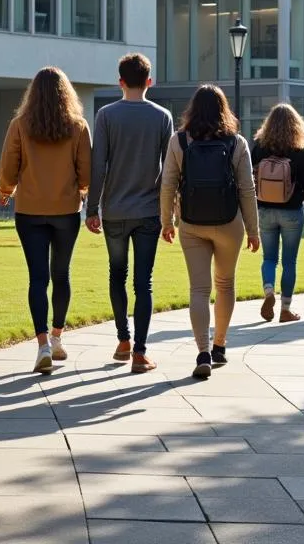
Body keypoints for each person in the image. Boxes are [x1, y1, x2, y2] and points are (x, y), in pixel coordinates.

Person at [160, 84, 259, 379]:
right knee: (225, 284)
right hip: (230, 223)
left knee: (199, 289)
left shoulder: (179, 141)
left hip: (191, 223)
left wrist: (167, 222)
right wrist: (253, 230)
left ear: (192, 110)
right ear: (224, 110)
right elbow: (247, 189)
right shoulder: (237, 142)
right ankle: (219, 346)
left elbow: (167, 184)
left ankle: (202, 351)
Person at [0, 68, 92, 375]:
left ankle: (41, 346)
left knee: (38, 278)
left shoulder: (20, 124)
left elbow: (9, 165)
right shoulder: (78, 126)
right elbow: (86, 173)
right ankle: (56, 337)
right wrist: (81, 191)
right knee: (61, 273)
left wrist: (5, 190)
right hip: (66, 210)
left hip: (29, 210)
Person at [87, 53, 173, 374]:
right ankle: (140, 351)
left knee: (117, 275)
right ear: (149, 81)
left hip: (114, 212)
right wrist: (168, 213)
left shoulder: (106, 115)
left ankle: (123, 339)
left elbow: (99, 166)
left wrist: (92, 208)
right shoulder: (162, 117)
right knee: (144, 283)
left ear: (120, 81)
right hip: (149, 211)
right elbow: (168, 171)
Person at [250, 103, 304, 323]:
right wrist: (302, 195)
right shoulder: (299, 151)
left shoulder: (259, 147)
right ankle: (285, 309)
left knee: (269, 258)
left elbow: (249, 177)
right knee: (289, 261)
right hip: (291, 212)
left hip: (265, 210)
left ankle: (269, 291)